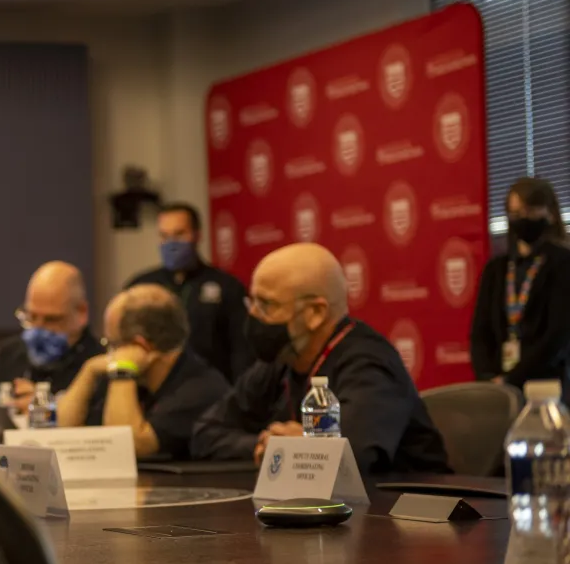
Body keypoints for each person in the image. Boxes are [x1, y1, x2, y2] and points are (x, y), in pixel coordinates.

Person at [191, 242, 451, 476]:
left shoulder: (369, 362)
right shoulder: (282, 360)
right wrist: (266, 445)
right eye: (253, 303)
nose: (254, 316)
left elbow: (352, 456)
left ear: (315, 312)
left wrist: (302, 446)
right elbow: (205, 433)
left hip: (407, 515)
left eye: (267, 305)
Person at [58, 285, 228, 459]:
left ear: (139, 345)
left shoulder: (199, 390)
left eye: (112, 344)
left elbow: (123, 446)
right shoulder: (136, 380)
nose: (109, 354)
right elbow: (64, 433)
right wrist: (89, 370)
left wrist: (123, 371)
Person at [124, 203, 253, 383]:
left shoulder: (227, 287)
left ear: (197, 235)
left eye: (179, 234)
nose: (171, 243)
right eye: (164, 236)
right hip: (153, 392)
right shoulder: (140, 286)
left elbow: (242, 352)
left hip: (212, 392)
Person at [471, 177, 570, 397]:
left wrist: (512, 378)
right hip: (498, 387)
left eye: (530, 211)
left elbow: (557, 335)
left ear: (549, 213)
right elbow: (480, 331)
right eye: (515, 213)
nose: (522, 219)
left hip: (546, 384)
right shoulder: (496, 269)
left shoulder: (563, 263)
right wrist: (487, 376)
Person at [0, 261, 100, 410]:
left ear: (81, 312)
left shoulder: (98, 363)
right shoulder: (9, 353)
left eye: (51, 319)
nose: (38, 328)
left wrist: (44, 406)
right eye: (32, 317)